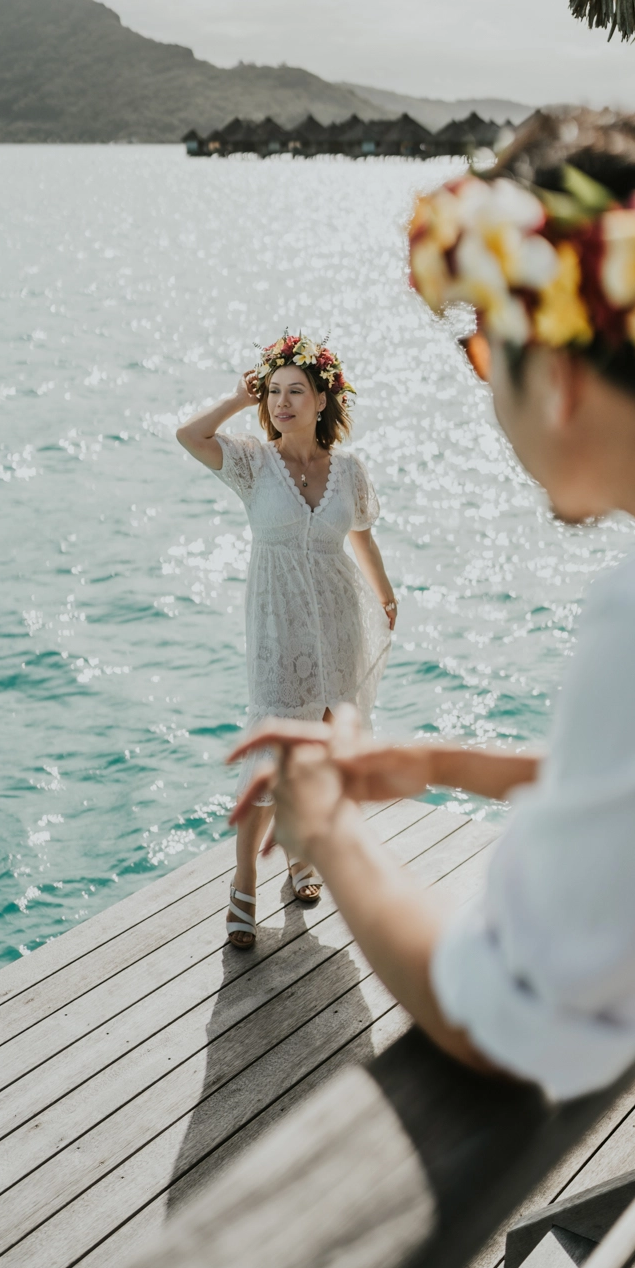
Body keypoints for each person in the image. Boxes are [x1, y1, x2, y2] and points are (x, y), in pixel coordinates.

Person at [228, 110, 635, 1095]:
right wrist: (449, 765)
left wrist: (330, 832)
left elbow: (504, 1015)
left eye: (487, 359)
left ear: (562, 377)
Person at [176, 333, 396, 948]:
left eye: (295, 392)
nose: (281, 403)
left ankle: (300, 857)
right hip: (278, 624)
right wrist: (234, 401)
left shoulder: (347, 469)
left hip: (338, 618)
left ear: (322, 399)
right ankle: (243, 884)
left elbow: (363, 538)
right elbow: (189, 437)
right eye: (273, 392)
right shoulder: (251, 462)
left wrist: (386, 594)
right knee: (271, 751)